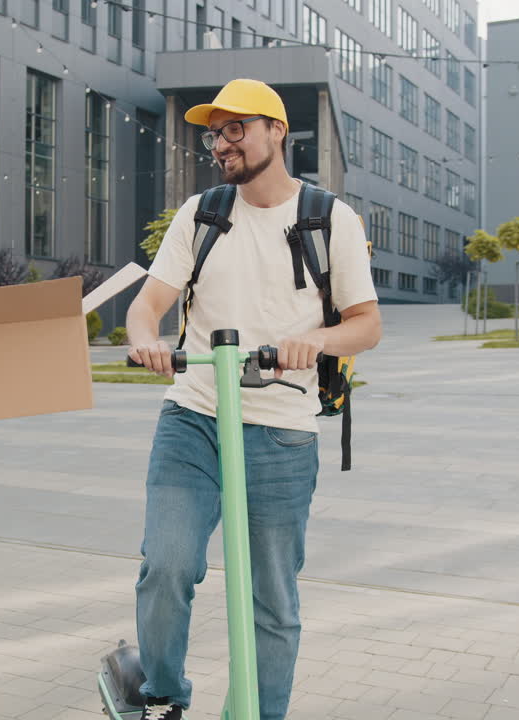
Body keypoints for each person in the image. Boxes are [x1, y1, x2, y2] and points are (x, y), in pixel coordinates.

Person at [125, 78, 383, 720]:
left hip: (282, 432)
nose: (221, 143)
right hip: (194, 418)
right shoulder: (202, 212)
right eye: (215, 132)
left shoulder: (329, 219)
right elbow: (149, 302)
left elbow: (366, 323)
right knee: (167, 566)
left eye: (236, 128)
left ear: (277, 132)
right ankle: (161, 698)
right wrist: (144, 340)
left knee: (272, 598)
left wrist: (317, 340)